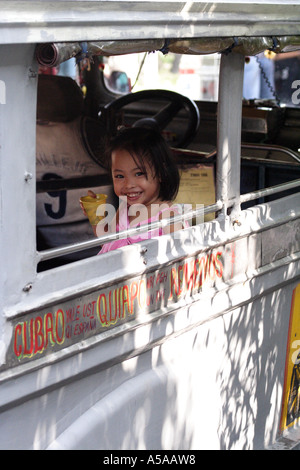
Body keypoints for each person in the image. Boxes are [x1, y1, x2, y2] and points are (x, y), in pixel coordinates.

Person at [81, 126, 190, 253]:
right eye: (120, 176)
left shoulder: (168, 217)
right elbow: (108, 243)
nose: (128, 184)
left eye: (139, 174)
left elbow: (181, 260)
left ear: (161, 172)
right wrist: (95, 215)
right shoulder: (123, 208)